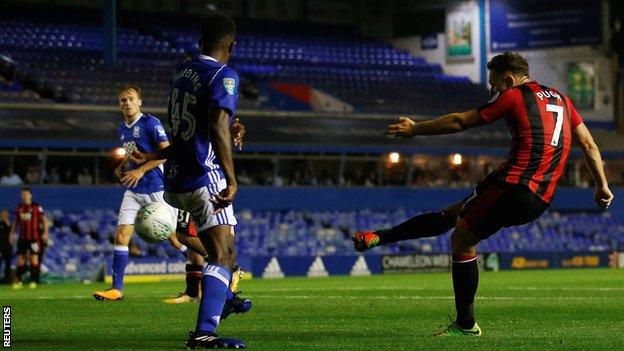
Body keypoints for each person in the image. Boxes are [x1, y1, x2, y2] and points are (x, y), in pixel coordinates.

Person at [352, 52, 614, 337]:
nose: (493, 90)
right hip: (540, 198)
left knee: (462, 239)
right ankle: (380, 236)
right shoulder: (563, 100)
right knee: (451, 216)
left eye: (494, 82)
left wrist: (416, 129)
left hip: (513, 185)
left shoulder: (513, 96)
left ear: (509, 79)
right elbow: (588, 144)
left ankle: (466, 325)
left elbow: (461, 122)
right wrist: (602, 185)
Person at [132, 13, 246, 349]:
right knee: (224, 255)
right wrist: (231, 178)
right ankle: (204, 333)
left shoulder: (182, 71)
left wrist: (229, 122)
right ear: (232, 45)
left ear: (200, 42)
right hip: (202, 173)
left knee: (218, 251)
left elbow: (201, 113)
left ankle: (224, 299)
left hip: (176, 178)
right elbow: (216, 126)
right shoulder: (224, 74)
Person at [92, 85, 186, 301]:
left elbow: (166, 154)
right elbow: (132, 154)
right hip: (133, 190)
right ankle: (116, 289)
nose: (126, 103)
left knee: (175, 238)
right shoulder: (122, 129)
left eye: (130, 99)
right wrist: (122, 166)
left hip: (157, 189)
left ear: (139, 102)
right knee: (121, 236)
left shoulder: (150, 123)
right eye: (123, 100)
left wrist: (142, 170)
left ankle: (206, 271)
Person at [163, 210, 251, 323]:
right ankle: (193, 292)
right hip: (190, 198)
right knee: (192, 239)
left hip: (196, 196)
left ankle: (230, 271)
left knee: (185, 236)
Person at [12, 188, 48, 289]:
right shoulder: (19, 208)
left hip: (34, 239)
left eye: (27, 194)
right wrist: (11, 233)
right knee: (20, 260)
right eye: (23, 194)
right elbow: (16, 222)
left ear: (30, 196)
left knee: (34, 259)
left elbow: (44, 220)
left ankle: (33, 281)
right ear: (21, 196)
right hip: (22, 238)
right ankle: (19, 281)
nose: (25, 196)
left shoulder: (37, 207)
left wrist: (45, 232)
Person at [0, 209, 13, 283]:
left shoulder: (11, 224)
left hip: (8, 247)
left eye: (6, 214)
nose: (4, 215)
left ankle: (8, 280)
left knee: (8, 264)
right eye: (3, 214)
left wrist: (7, 222)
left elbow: (11, 232)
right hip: (0, 247)